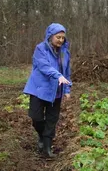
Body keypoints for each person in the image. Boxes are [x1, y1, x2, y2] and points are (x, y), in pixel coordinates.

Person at [23, 23, 72, 158]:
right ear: (50, 36)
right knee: (36, 117)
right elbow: (44, 67)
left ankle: (47, 147)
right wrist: (58, 76)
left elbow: (67, 73)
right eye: (58, 37)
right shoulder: (41, 49)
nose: (61, 40)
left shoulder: (65, 53)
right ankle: (41, 135)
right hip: (39, 89)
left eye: (63, 38)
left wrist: (67, 89)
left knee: (52, 119)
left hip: (56, 91)